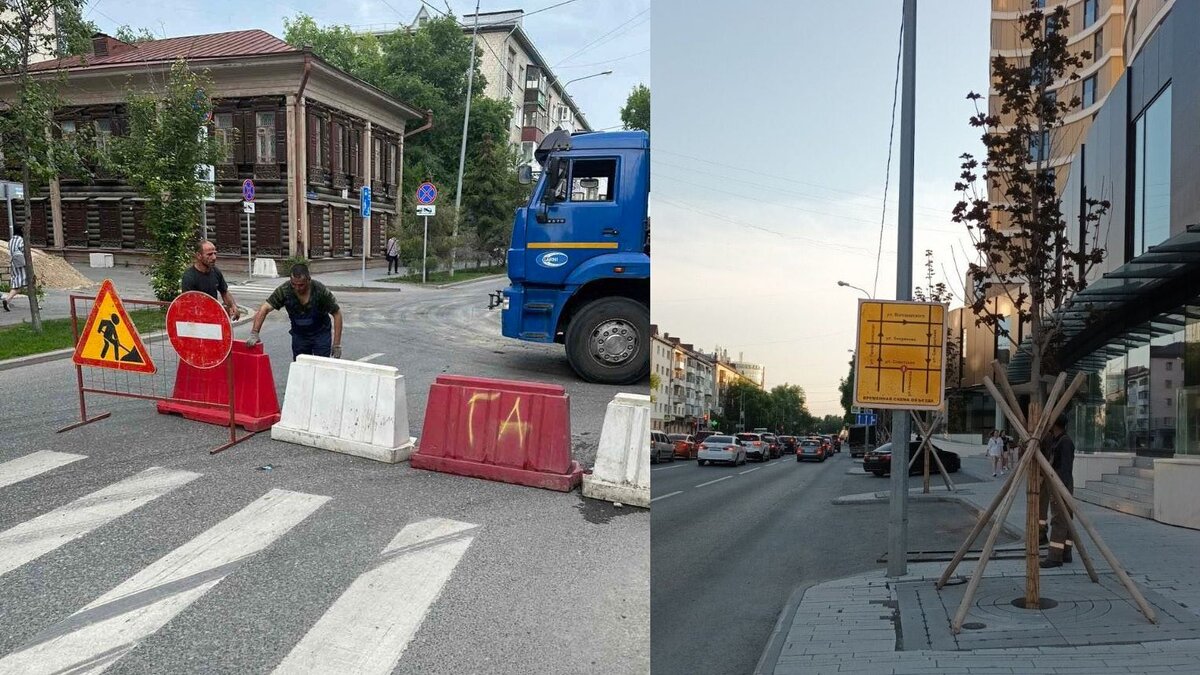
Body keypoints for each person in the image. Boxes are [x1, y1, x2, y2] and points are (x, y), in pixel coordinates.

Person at [245, 263, 343, 360]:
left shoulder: (320, 290)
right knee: (301, 366)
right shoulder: (285, 290)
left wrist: (337, 344)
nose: (297, 288)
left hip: (321, 334)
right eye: (294, 284)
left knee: (321, 365)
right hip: (300, 335)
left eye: (301, 285)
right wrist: (255, 333)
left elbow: (337, 314)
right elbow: (264, 308)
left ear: (309, 280)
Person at [1040, 413, 1076, 568]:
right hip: (1058, 483)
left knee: (1059, 519)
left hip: (1061, 484)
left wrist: (1060, 490)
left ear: (1055, 425)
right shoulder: (1057, 440)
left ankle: (1055, 557)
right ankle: (1066, 553)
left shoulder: (1065, 442)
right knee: (1065, 518)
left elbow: (1065, 469)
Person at [181, 239, 240, 319]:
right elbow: (189, 305)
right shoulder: (189, 277)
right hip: (198, 320)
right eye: (209, 254)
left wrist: (233, 306)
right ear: (199, 255)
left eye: (215, 253)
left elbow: (224, 292)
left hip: (214, 317)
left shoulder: (215, 271)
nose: (214, 257)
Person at [3, 226, 27, 312]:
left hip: (14, 264)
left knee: (17, 284)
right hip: (23, 264)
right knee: (30, 283)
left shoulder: (11, 241)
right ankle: (36, 304)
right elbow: (24, 251)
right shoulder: (21, 240)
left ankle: (7, 300)